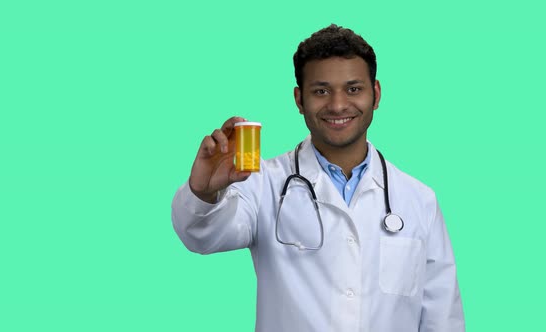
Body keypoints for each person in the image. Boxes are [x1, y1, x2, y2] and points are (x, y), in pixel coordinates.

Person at [171, 24, 465, 331]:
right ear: (299, 100)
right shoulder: (261, 183)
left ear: (376, 94)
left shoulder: (418, 199)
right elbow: (201, 236)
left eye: (353, 89)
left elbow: (442, 318)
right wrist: (203, 193)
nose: (338, 105)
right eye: (321, 91)